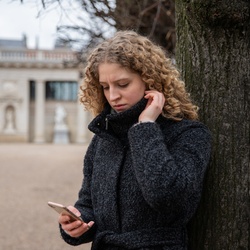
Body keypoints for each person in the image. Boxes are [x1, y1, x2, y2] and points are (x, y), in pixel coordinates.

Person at [58, 30, 212, 250]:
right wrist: (76, 223)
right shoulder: (104, 138)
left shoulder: (190, 134)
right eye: (105, 87)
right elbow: (88, 205)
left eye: (122, 84)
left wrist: (146, 127)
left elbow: (167, 197)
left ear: (150, 80)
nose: (112, 96)